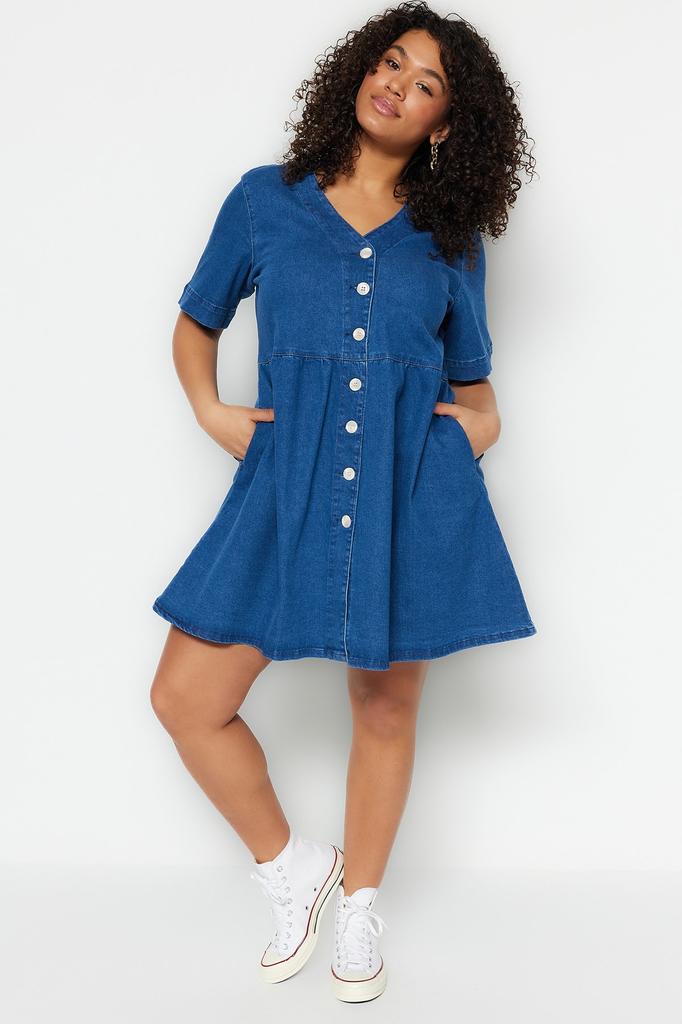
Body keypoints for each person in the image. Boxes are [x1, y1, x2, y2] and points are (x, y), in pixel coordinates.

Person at [149, 0, 537, 1003]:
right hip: (284, 485)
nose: (397, 86)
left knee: (386, 705)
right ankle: (294, 867)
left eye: (425, 83)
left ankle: (360, 906)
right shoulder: (264, 200)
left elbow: (480, 394)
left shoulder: (451, 238)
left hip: (408, 492)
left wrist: (466, 436)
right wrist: (213, 412)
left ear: (445, 123)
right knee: (186, 699)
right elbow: (195, 321)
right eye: (390, 62)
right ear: (359, 70)